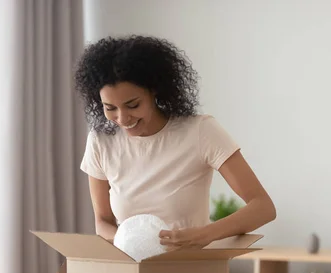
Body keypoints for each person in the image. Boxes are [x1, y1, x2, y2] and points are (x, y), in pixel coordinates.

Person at [74, 35, 276, 250]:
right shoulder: (101, 142)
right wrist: (129, 243)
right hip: (128, 272)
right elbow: (102, 222)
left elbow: (263, 207)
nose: (122, 119)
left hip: (188, 270)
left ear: (154, 91)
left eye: (132, 105)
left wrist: (205, 234)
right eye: (110, 108)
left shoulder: (200, 131)